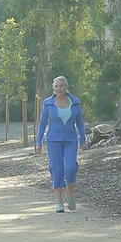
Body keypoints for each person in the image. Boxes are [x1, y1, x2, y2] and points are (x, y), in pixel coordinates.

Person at [36, 75, 89, 213]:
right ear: (54, 89)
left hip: (71, 140)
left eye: (61, 86)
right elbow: (42, 123)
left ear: (66, 88)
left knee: (71, 167)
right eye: (56, 86)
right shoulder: (48, 103)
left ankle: (70, 194)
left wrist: (83, 140)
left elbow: (81, 124)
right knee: (56, 169)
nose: (59, 88)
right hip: (53, 140)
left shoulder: (75, 103)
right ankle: (59, 202)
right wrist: (39, 142)